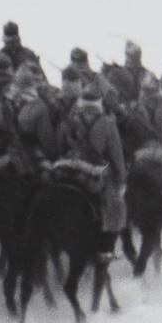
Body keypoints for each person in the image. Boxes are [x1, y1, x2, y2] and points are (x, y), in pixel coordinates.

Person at [59, 85, 128, 256]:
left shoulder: (68, 119)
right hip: (96, 169)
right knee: (117, 206)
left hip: (67, 166)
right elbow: (116, 155)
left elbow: (58, 146)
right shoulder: (107, 122)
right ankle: (106, 250)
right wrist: (121, 179)